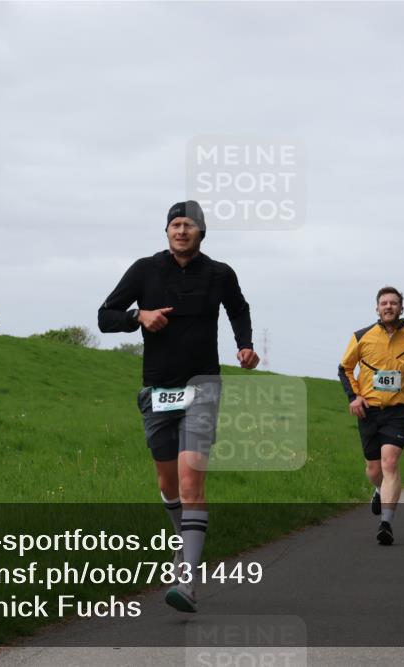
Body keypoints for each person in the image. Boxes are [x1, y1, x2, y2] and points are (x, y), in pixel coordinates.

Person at [97, 200, 258, 613]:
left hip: (203, 385)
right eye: (175, 225)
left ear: (201, 232)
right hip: (157, 389)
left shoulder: (220, 273)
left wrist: (245, 345)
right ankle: (184, 544)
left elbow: (238, 308)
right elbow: (105, 316)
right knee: (169, 485)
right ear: (166, 231)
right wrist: (140, 316)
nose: (181, 231)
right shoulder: (144, 270)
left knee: (190, 483)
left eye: (188, 225)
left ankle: (187, 580)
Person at [339, 286, 404, 546]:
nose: (389, 307)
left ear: (401, 308)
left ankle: (386, 523)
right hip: (368, 410)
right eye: (384, 303)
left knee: (390, 463)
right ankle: (379, 490)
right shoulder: (361, 336)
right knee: (373, 469)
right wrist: (354, 397)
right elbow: (345, 368)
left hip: (397, 411)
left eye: (394, 303)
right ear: (377, 308)